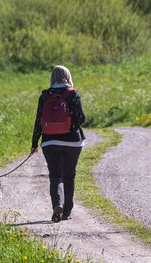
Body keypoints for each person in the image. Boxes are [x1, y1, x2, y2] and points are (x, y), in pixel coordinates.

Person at [31, 65, 86, 223]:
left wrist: (34, 143)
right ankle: (67, 212)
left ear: (52, 78)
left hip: (50, 141)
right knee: (69, 175)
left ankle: (57, 205)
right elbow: (81, 118)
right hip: (73, 142)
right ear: (68, 77)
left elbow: (38, 122)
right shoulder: (72, 94)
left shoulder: (45, 96)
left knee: (55, 176)